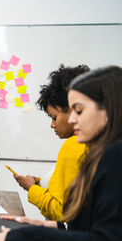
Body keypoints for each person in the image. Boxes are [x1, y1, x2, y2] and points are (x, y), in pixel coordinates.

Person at [0, 66, 122, 241]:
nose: (71, 119)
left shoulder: (115, 156)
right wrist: (44, 226)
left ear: (108, 109)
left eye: (78, 110)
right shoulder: (104, 153)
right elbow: (94, 228)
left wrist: (26, 236)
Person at [13, 65, 89, 220]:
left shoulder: (74, 145)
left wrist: (32, 188)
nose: (52, 125)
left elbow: (60, 210)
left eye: (54, 117)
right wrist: (41, 182)